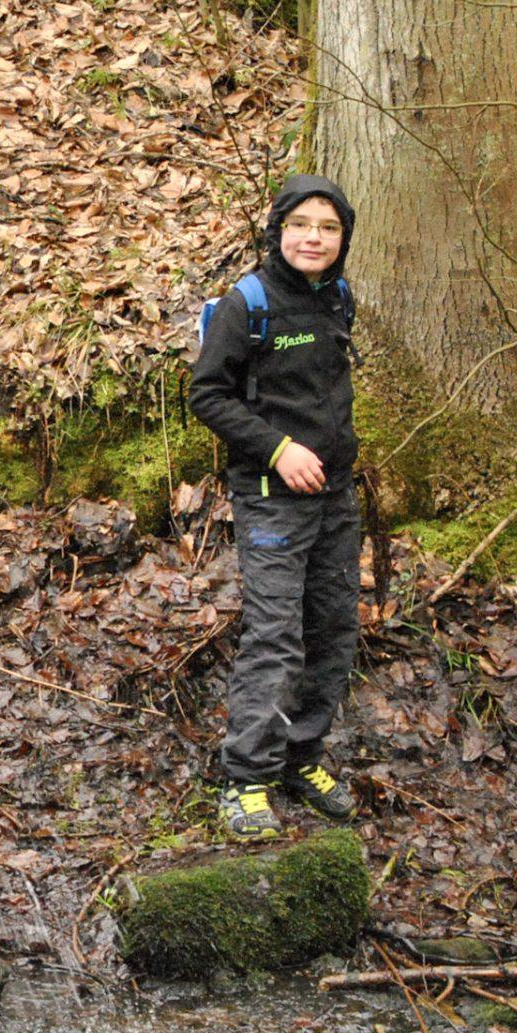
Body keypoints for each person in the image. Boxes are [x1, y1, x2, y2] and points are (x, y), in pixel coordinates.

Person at [188, 173, 362, 840]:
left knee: (332, 629)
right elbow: (208, 395)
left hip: (335, 498)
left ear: (343, 238)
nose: (313, 238)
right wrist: (278, 449)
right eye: (300, 225)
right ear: (278, 231)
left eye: (328, 228)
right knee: (275, 637)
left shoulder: (338, 298)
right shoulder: (248, 304)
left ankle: (300, 757)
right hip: (272, 502)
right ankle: (246, 779)